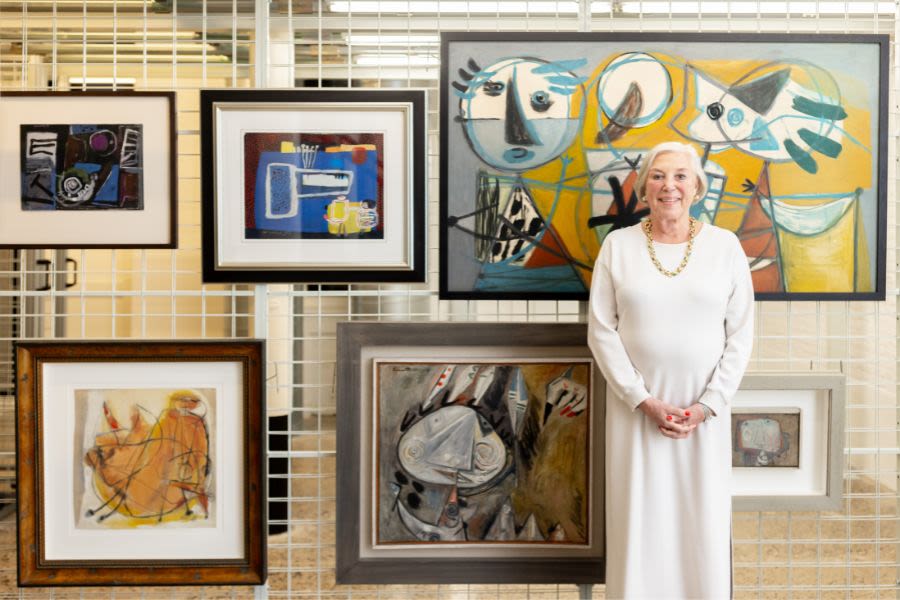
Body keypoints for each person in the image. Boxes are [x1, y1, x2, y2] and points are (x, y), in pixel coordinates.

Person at [587, 141, 754, 599]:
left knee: (700, 519)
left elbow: (741, 335)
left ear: (697, 187)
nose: (669, 186)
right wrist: (641, 399)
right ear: (644, 188)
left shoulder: (725, 247)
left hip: (703, 417)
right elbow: (601, 330)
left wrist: (707, 406)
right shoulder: (617, 246)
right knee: (639, 519)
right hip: (636, 411)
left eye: (681, 176)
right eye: (658, 176)